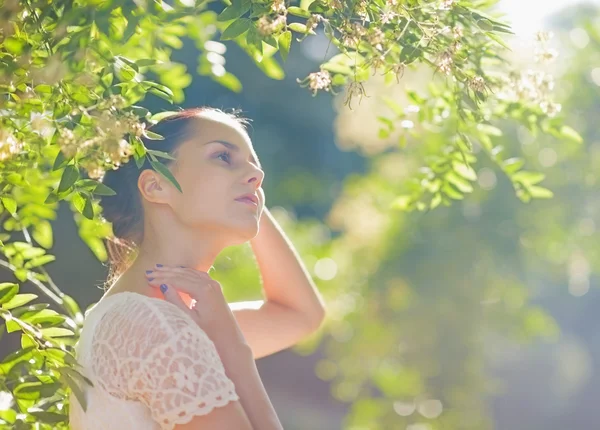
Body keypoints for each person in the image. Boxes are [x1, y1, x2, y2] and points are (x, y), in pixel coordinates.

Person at [68, 107, 326, 429]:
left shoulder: (148, 318)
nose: (258, 178)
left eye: (255, 167)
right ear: (156, 187)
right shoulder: (154, 327)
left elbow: (300, 315)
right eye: (222, 156)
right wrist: (234, 351)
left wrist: (248, 194)